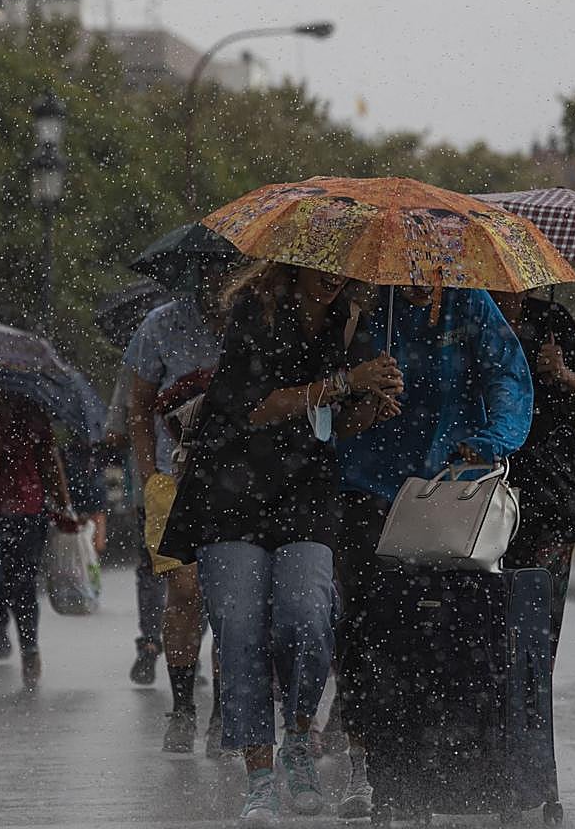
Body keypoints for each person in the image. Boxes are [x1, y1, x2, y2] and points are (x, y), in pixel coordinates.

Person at [158, 261, 401, 823]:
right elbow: (258, 407)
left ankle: (296, 737)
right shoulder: (254, 312)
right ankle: (260, 777)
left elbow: (332, 426)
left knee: (308, 615)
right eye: (319, 266)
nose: (331, 277)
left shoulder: (351, 322)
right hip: (231, 488)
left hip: (306, 493)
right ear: (294, 261)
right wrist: (347, 382)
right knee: (240, 625)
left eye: (340, 268)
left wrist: (373, 403)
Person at [333, 284, 533, 818]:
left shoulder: (470, 304)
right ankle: (367, 762)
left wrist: (491, 441)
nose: (422, 278)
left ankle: (444, 758)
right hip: (366, 487)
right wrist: (358, 370)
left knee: (446, 630)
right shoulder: (367, 303)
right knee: (363, 627)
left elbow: (508, 377)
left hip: (446, 489)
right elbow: (325, 393)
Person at [124, 282, 223, 754]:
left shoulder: (255, 320)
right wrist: (148, 476)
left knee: (230, 597)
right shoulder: (160, 324)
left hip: (238, 481)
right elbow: (139, 405)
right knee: (183, 590)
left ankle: (226, 710)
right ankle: (182, 707)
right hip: (174, 477)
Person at [492, 291, 575, 665]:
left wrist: (562, 374)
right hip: (486, 482)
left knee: (540, 606)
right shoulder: (467, 315)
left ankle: (533, 695)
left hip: (550, 488)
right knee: (488, 604)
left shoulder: (552, 319)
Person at [0, 387, 75, 693]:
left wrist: (64, 503)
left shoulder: (33, 412)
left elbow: (49, 459)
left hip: (28, 510)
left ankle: (30, 653)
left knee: (23, 588)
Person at [107, 362, 165, 687]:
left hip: (149, 485)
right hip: (195, 484)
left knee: (151, 567)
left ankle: (152, 640)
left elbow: (114, 431)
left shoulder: (139, 357)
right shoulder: (214, 346)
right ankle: (183, 643)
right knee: (195, 568)